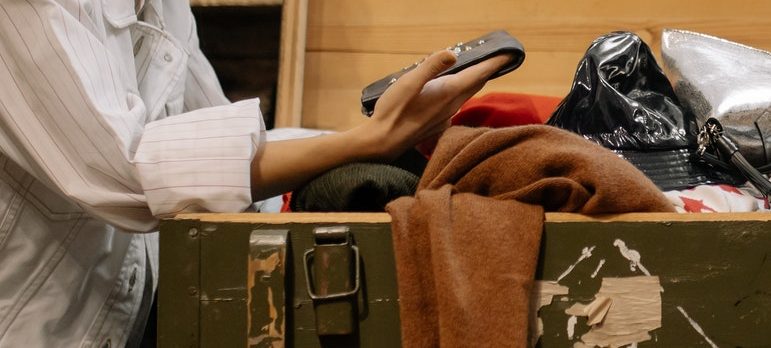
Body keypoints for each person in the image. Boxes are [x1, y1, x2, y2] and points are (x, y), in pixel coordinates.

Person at [0, 0, 511, 346]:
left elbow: (211, 141)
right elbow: (135, 171)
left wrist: (392, 141)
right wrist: (369, 141)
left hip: (131, 308)